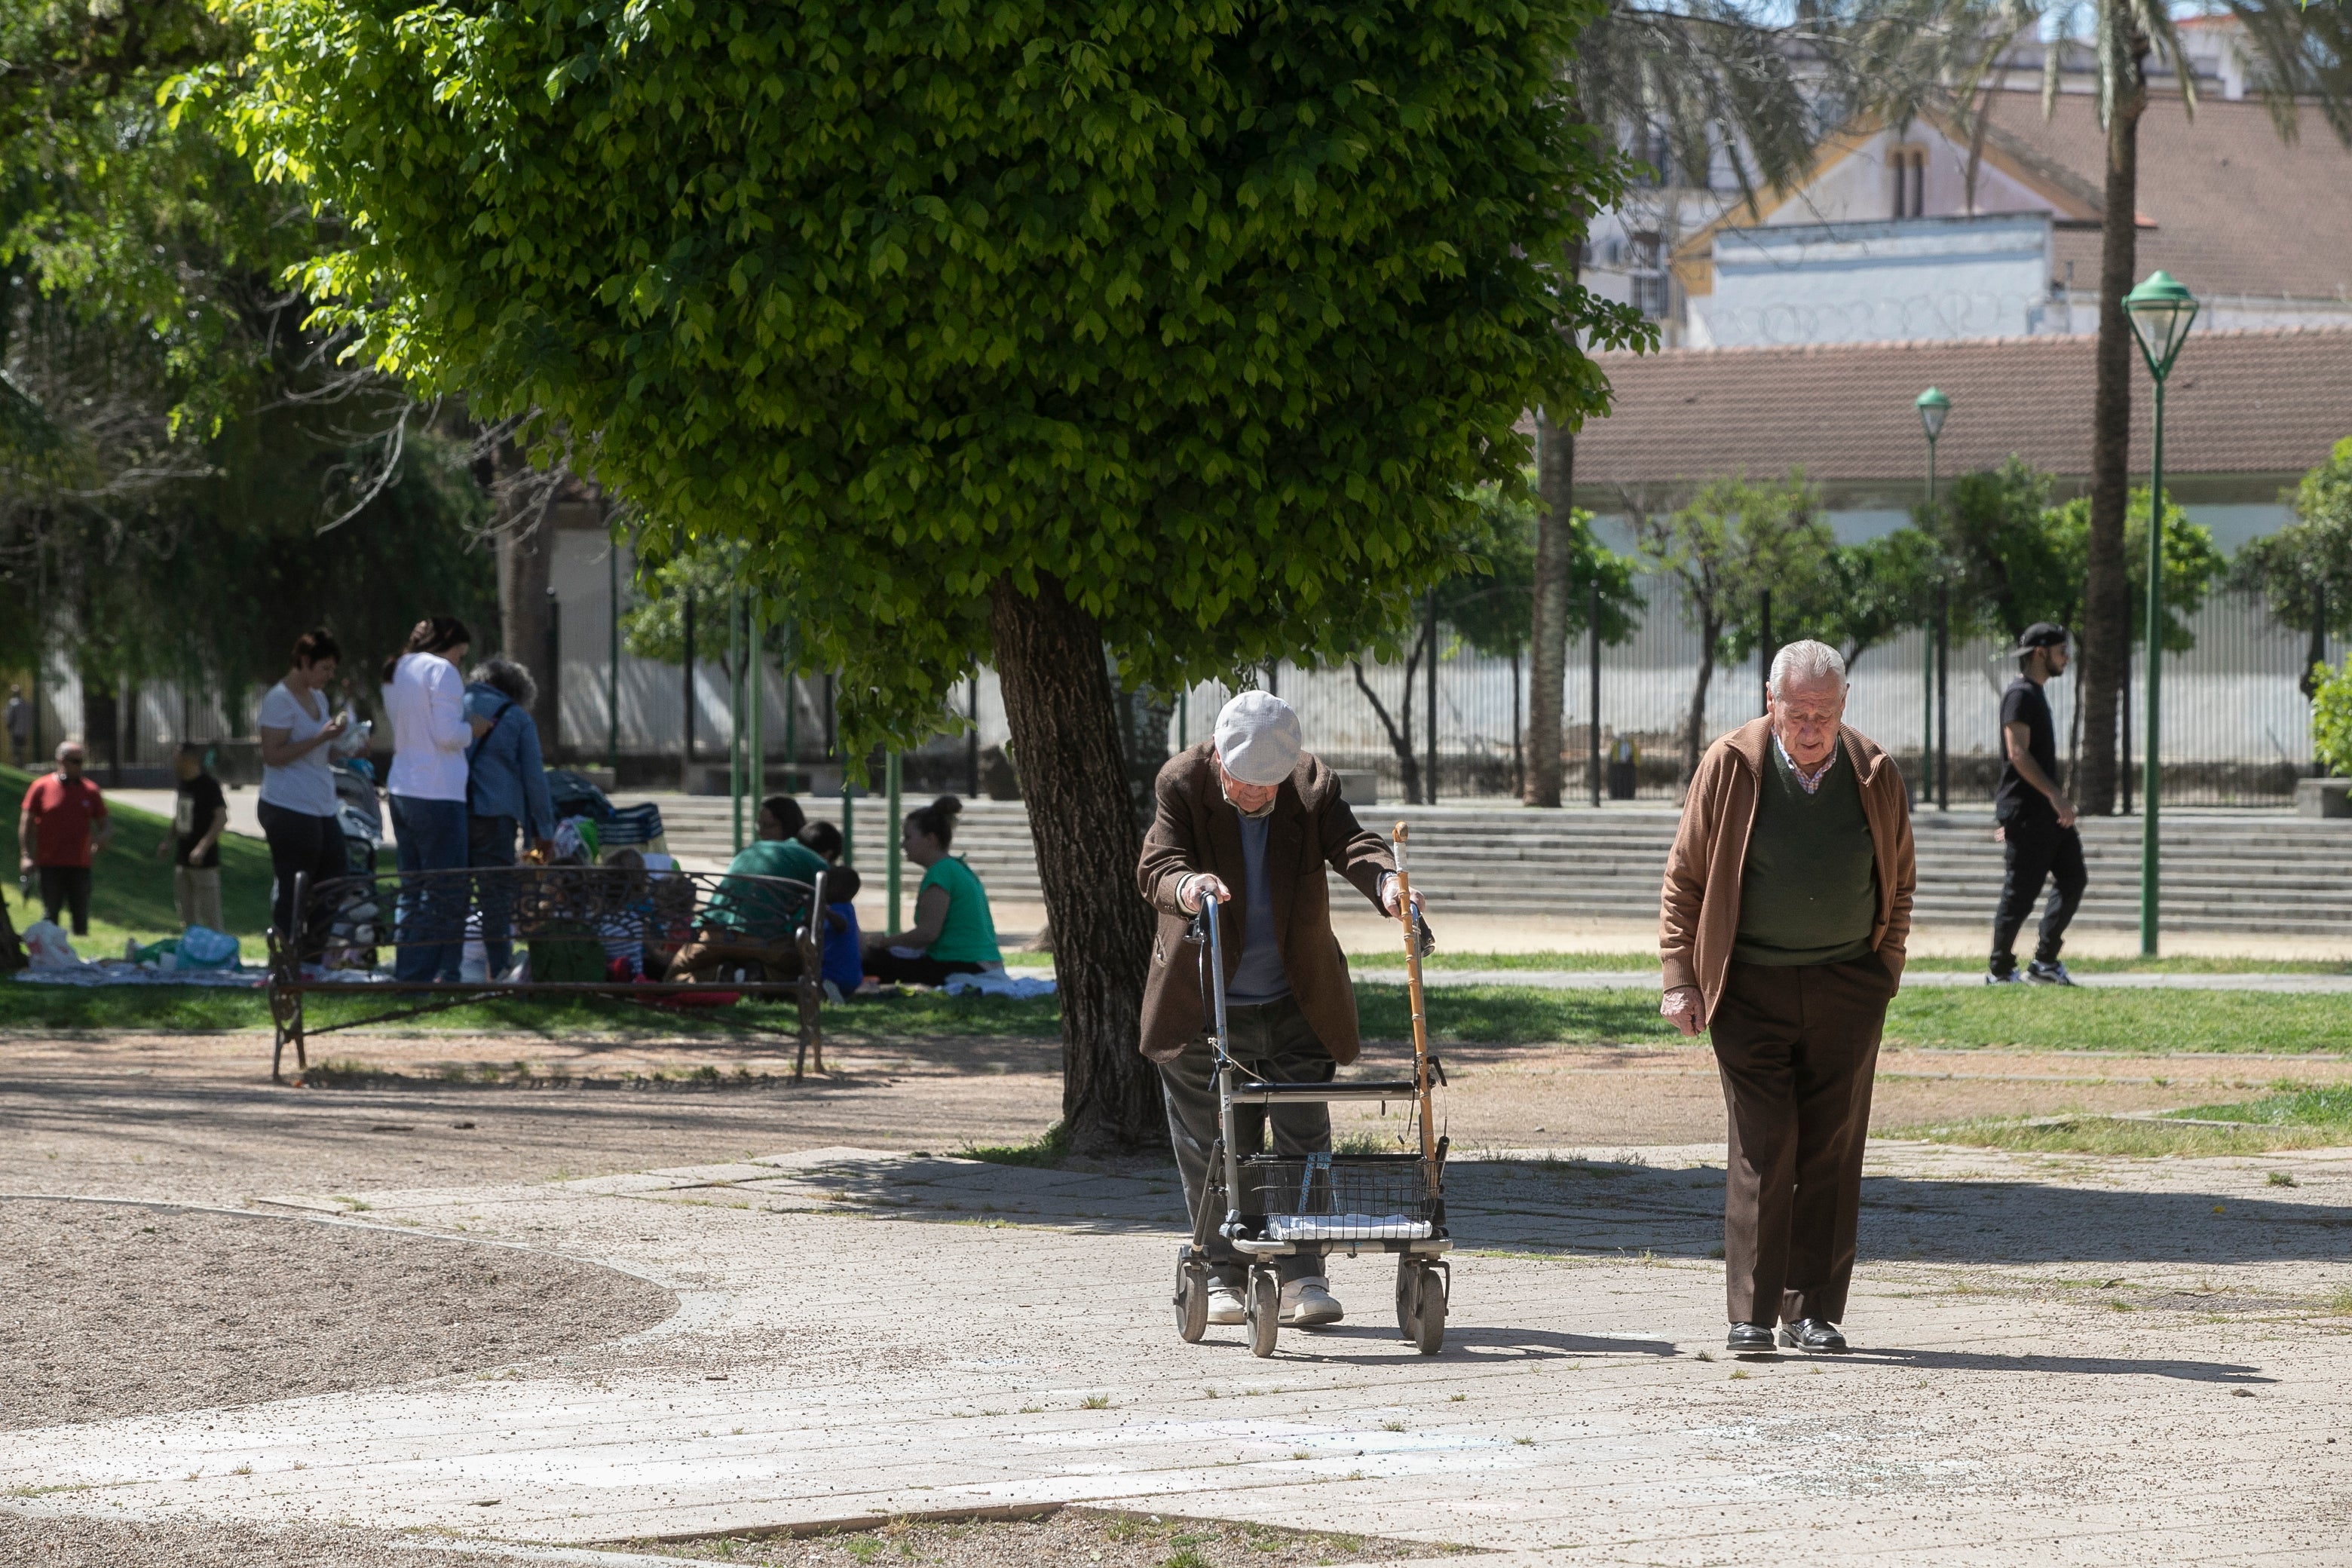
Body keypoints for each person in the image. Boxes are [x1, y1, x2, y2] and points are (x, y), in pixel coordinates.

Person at [1137, 691, 1428, 1332]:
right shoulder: (1181, 781)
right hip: (1202, 1003)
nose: (1254, 795)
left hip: (1295, 999)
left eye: (1267, 785)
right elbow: (1157, 865)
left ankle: (1303, 1274)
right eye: (1242, 782)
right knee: (1217, 1144)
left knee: (1304, 1136)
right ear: (1219, 761)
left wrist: (1386, 883)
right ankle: (1223, 1273)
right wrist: (1189, 886)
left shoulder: (1311, 786)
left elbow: (1352, 844)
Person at [1658, 640, 1916, 1356]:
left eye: (1824, 714)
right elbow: (1685, 879)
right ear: (1770, 702)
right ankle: (1752, 1313)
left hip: (1848, 984)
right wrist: (1680, 978)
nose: (1810, 728)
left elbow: (1900, 880)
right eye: (1797, 712)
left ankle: (1814, 1312)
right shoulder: (1731, 764)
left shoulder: (1874, 771)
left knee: (1832, 1147)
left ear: (1844, 707)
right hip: (1748, 984)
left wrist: (1883, 971)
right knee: (1765, 1144)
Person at [1988, 623, 2085, 987]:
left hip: (2043, 812)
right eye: (2062, 651)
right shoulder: (2020, 695)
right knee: (2021, 893)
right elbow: (2017, 753)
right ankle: (2000, 970)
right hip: (2030, 812)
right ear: (2041, 653)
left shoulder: (2034, 693)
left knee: (2073, 877)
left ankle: (2044, 962)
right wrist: (2054, 795)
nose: (2067, 658)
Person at [380, 617, 475, 982]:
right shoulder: (441, 671)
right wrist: (474, 729)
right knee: (444, 890)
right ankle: (425, 974)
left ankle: (410, 967)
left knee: (413, 887)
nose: (459, 662)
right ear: (448, 645)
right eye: (460, 654)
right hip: (437, 790)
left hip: (403, 786)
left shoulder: (397, 669)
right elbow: (447, 734)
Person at [258, 630, 354, 960]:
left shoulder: (319, 698)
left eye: (332, 669)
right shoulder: (279, 700)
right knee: (294, 887)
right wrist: (320, 738)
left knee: (334, 877)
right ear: (303, 662)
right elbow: (273, 755)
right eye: (324, 668)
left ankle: (312, 957)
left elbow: (319, 752)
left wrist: (346, 745)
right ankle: (285, 962)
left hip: (321, 804)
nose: (330, 675)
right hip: (287, 805)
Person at [462, 656, 556, 981]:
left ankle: (444, 968)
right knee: (496, 896)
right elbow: (534, 779)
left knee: (450, 891)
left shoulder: (451, 706)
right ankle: (500, 968)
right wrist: (544, 831)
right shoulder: (516, 718)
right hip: (496, 817)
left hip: (452, 812)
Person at [671, 795, 835, 978]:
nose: (761, 832)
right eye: (759, 825)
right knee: (798, 969)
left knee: (674, 977)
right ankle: (759, 975)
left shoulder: (747, 853)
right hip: (765, 944)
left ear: (788, 825)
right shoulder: (809, 857)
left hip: (714, 936)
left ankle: (722, 974)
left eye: (769, 826)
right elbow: (836, 893)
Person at [862, 797, 1000, 985]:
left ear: (930, 839)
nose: (903, 844)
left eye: (908, 837)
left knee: (868, 960)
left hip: (961, 965)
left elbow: (928, 933)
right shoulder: (958, 868)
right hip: (979, 963)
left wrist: (883, 942)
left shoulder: (941, 872)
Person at [17, 741, 110, 936]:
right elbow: (26, 823)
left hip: (80, 864)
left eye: (81, 762)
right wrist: (26, 855)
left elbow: (106, 826)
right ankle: (50, 946)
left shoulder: (90, 790)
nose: (79, 766)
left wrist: (101, 838)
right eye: (75, 761)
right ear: (61, 761)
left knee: (80, 913)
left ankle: (80, 946)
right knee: (50, 913)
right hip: (49, 863)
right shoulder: (41, 787)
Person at [155, 743, 228, 933]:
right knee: (187, 916)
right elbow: (180, 816)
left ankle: (217, 948)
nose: (174, 762)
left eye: (177, 759)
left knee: (210, 915)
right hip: (183, 859)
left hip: (204, 862)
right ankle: (192, 947)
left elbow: (221, 818)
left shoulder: (209, 785)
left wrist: (202, 847)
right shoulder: (183, 783)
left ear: (191, 760)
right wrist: (168, 841)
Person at [799, 819, 865, 997]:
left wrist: (824, 911)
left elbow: (842, 924)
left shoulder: (842, 908)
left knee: (818, 985)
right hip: (831, 968)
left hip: (838, 972)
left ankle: (832, 994)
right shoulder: (834, 906)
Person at [5, 684, 29, 768]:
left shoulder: (12, 703)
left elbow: (9, 716)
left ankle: (17, 764)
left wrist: (9, 725)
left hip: (15, 730)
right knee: (21, 748)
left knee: (15, 748)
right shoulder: (24, 703)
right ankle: (20, 763)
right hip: (24, 730)